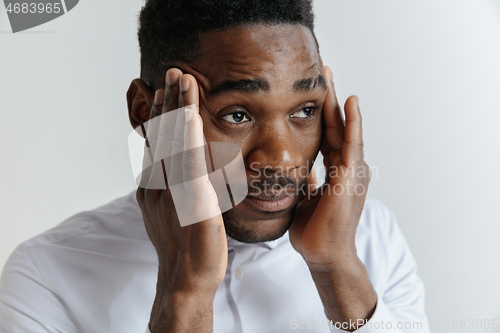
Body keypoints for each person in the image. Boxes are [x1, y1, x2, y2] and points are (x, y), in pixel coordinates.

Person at [0, 0, 429, 332]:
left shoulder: (376, 241)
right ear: (148, 112)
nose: (282, 159)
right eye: (237, 115)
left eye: (304, 110)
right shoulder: (48, 274)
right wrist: (184, 293)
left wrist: (336, 269)